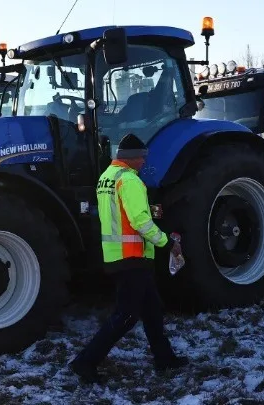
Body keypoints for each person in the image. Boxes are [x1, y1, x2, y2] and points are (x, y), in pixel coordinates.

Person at [69, 134, 188, 384]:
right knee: (126, 316)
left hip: (118, 256)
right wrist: (167, 242)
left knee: (153, 310)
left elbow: (121, 212)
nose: (144, 162)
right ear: (131, 158)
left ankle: (164, 358)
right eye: (142, 157)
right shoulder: (131, 181)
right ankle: (85, 362)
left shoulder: (107, 177)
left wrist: (150, 208)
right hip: (132, 256)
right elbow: (140, 222)